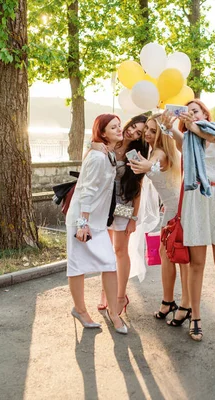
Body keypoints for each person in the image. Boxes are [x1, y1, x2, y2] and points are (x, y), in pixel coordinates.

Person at [157, 100, 215, 341]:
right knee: (196, 264)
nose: (191, 115)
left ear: (205, 113)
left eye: (195, 111)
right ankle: (195, 317)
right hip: (197, 202)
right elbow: (175, 135)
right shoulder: (187, 141)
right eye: (187, 112)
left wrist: (192, 125)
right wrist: (168, 125)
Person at [66, 113, 127, 334]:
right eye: (114, 127)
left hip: (98, 223)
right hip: (82, 221)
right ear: (102, 133)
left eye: (119, 126)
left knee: (109, 264)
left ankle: (113, 313)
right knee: (77, 266)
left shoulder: (107, 154)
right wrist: (83, 224)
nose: (119, 129)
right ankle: (80, 310)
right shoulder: (97, 157)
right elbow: (87, 192)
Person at [128, 113, 191, 326]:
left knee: (179, 257)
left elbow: (154, 164)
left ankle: (184, 304)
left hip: (178, 212)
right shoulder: (155, 151)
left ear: (162, 134)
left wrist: (146, 166)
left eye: (153, 130)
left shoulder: (161, 152)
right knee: (167, 256)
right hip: (171, 209)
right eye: (147, 129)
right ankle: (169, 301)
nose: (147, 133)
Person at [95, 115, 149, 316]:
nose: (132, 132)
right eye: (133, 126)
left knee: (120, 251)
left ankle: (120, 296)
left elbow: (138, 187)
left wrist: (133, 219)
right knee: (105, 250)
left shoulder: (135, 154)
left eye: (138, 133)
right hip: (104, 206)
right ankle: (105, 292)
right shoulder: (109, 143)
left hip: (123, 204)